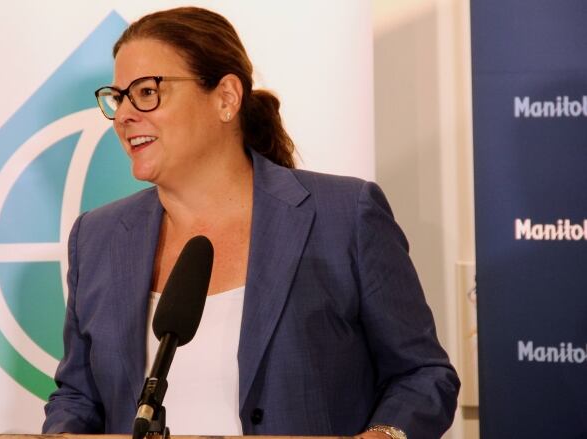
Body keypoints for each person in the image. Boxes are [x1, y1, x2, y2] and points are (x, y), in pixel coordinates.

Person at [43, 6, 459, 439]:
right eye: (118, 97)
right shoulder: (97, 237)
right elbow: (78, 396)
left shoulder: (344, 215)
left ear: (226, 97)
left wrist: (383, 437)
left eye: (147, 92)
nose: (125, 115)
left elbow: (423, 374)